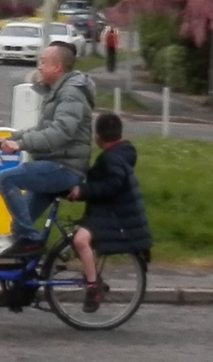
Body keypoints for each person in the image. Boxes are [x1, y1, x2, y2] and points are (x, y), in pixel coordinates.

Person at [0, 42, 96, 257]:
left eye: (43, 62)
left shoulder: (71, 94)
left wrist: (20, 144)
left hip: (64, 168)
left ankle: (34, 242)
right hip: (55, 164)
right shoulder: (59, 91)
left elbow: (59, 133)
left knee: (5, 179)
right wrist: (12, 138)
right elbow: (43, 129)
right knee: (19, 227)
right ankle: (27, 278)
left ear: (57, 67)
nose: (39, 66)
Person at [67, 113, 153, 313]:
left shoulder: (111, 158)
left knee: (80, 241)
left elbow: (112, 185)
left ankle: (93, 287)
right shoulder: (123, 153)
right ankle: (94, 278)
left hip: (113, 214)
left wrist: (83, 191)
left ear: (98, 138)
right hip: (114, 210)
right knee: (77, 240)